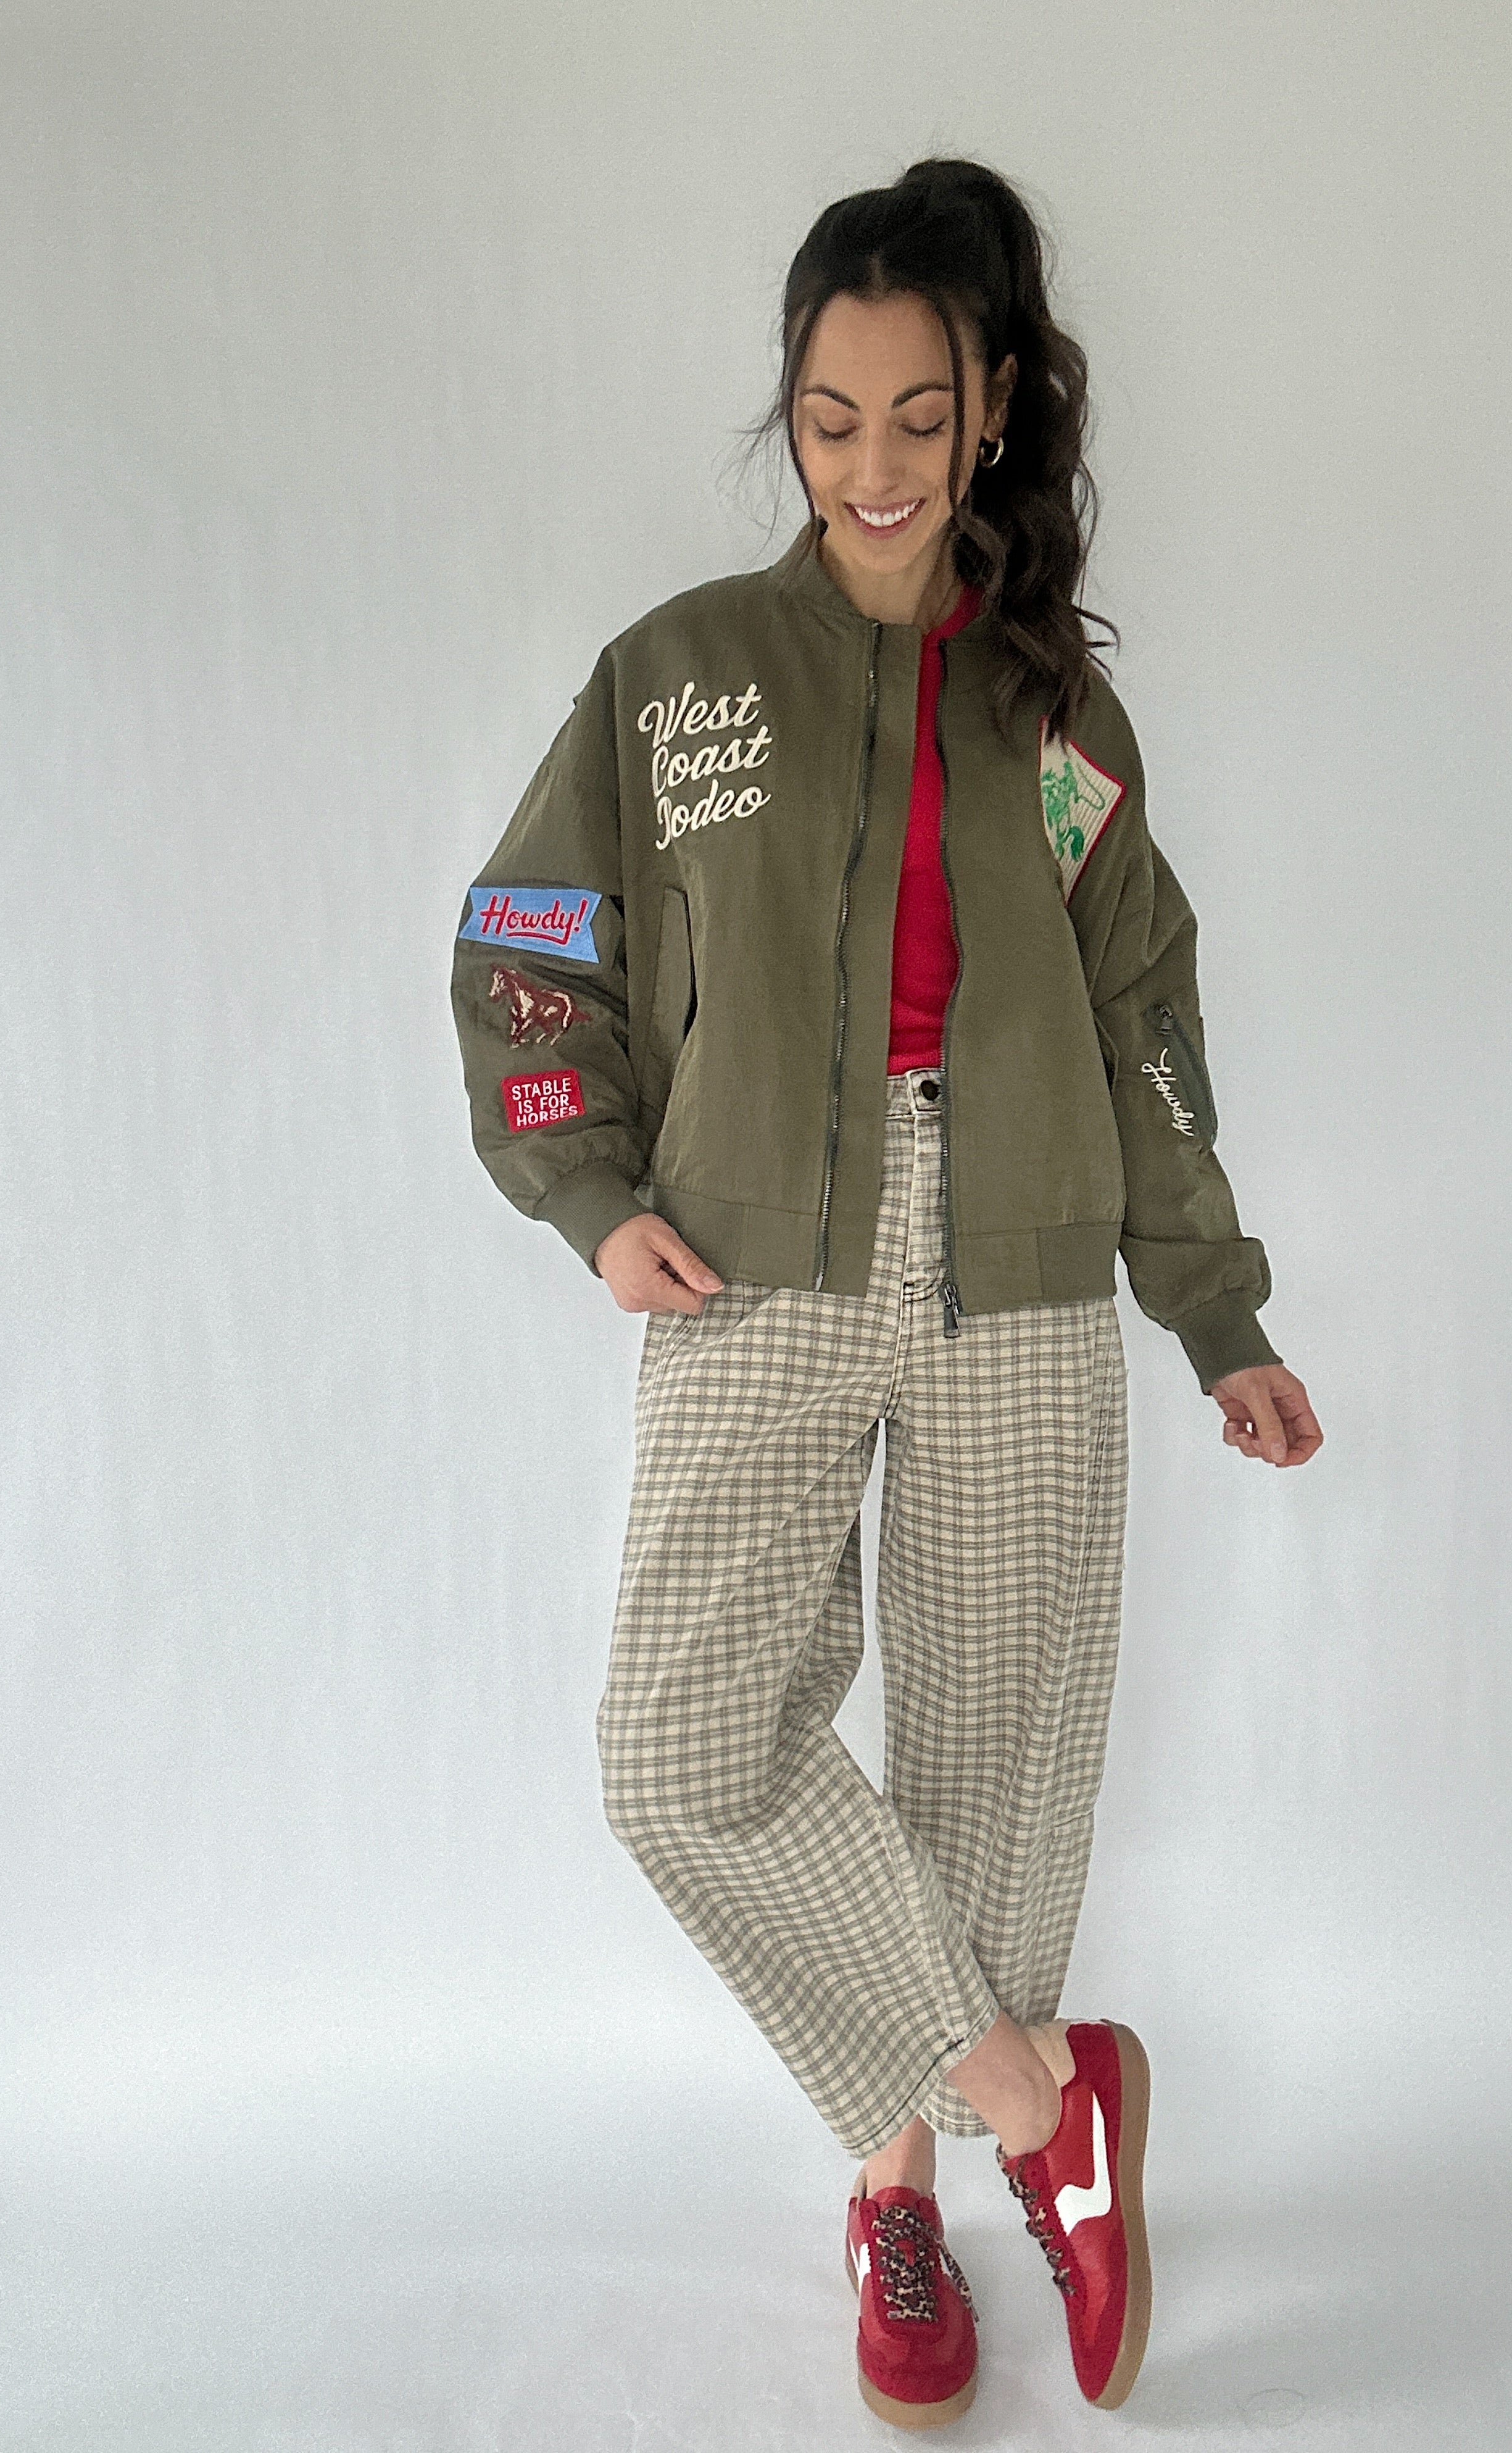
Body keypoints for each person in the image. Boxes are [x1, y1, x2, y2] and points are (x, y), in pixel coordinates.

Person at [451, 156, 1323, 2429]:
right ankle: (1054, 2115)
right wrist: (585, 1177)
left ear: (997, 411)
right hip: (755, 1253)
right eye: (830, 417)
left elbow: (1147, 1013)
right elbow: (531, 937)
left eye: (918, 417)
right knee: (682, 1753)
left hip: (1022, 1252)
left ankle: (905, 2195)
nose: (870, 465)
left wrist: (1215, 1308)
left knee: (994, 1763)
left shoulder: (1052, 717)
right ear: (791, 414)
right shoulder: (683, 678)